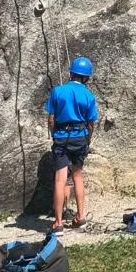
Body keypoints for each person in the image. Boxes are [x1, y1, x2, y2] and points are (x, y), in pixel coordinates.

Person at [44, 56, 99, 235]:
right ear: (86, 77)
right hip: (80, 137)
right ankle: (80, 217)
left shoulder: (57, 91)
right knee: (77, 176)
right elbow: (91, 123)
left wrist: (54, 135)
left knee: (60, 179)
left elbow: (51, 119)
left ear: (71, 73)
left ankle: (58, 223)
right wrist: (87, 140)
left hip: (61, 136)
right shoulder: (89, 96)